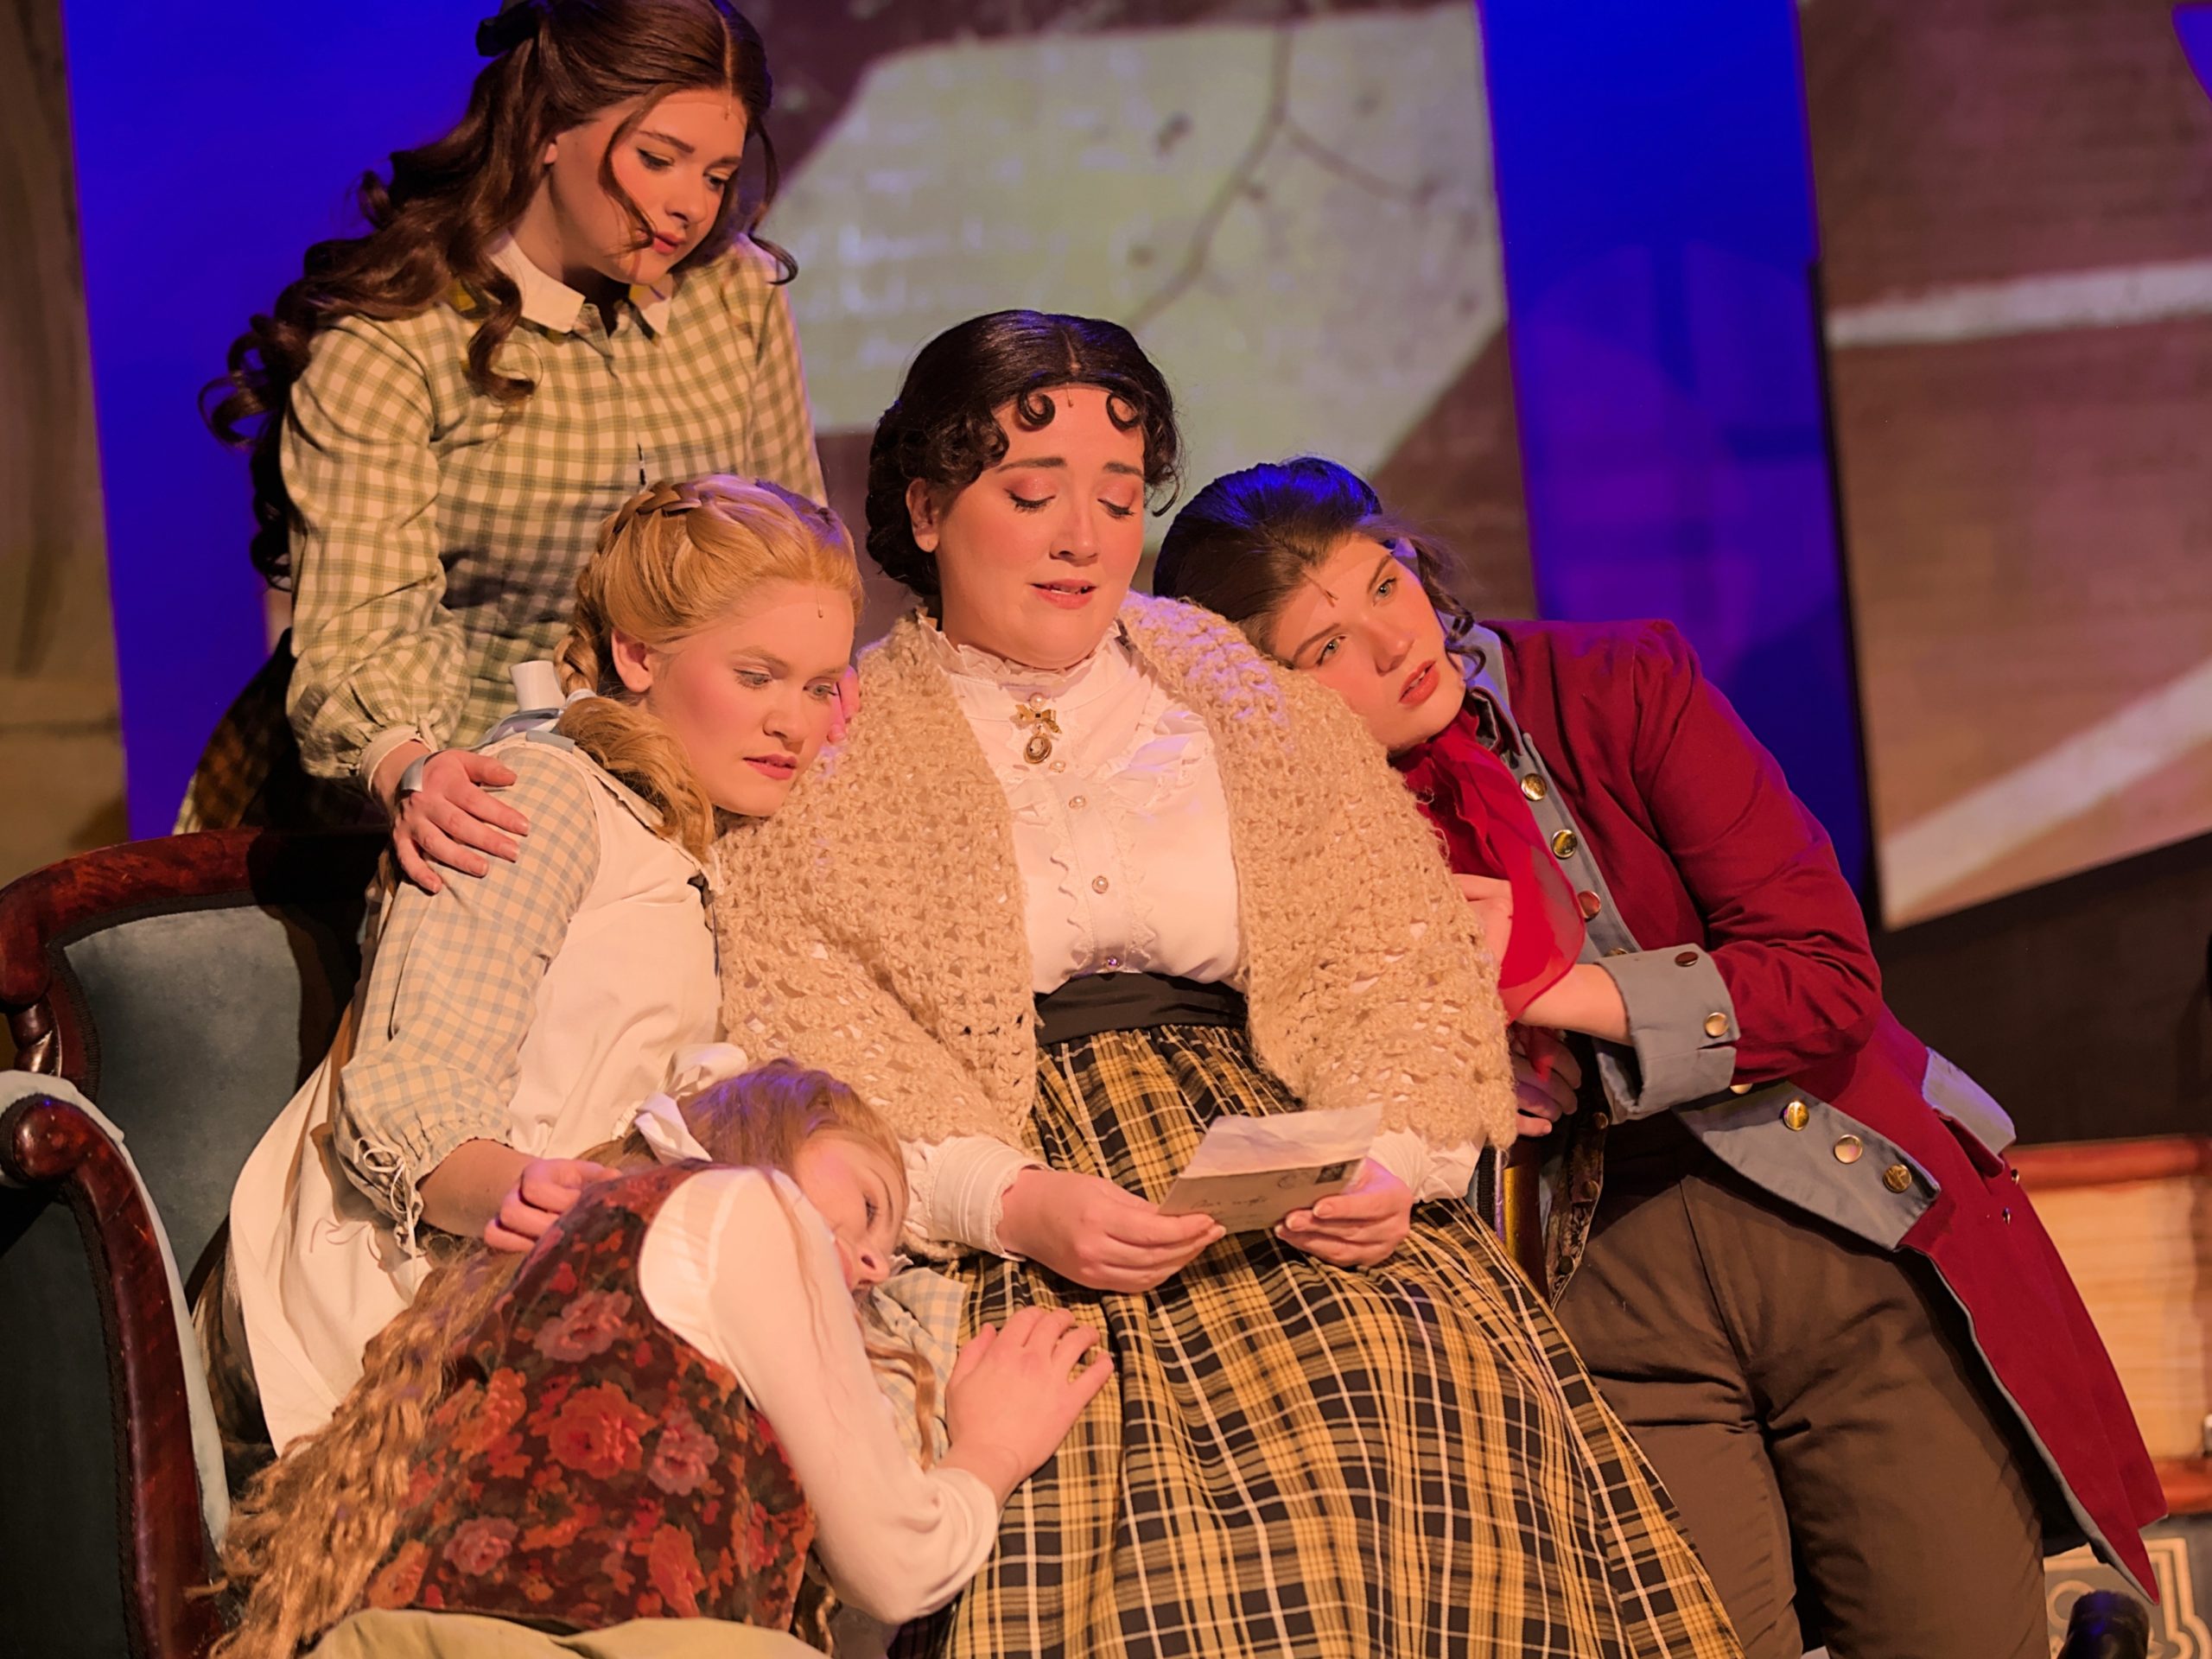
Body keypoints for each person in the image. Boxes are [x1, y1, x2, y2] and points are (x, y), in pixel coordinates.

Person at [714, 311, 1740, 1658]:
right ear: (926, 507)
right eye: (1032, 495)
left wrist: (1394, 1161)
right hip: (1021, 1195)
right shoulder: (839, 741)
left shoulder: (1247, 706)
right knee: (1104, 1517)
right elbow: (819, 1039)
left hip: (1288, 1166)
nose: (1083, 537)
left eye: (1117, 498)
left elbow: (1392, 960)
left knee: (1413, 1390)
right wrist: (1015, 1201)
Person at [1152, 454, 2167, 1659]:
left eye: (1385, 582)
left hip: (1833, 1220)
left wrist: (1549, 990)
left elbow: (1826, 978)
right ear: (1259, 695)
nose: (1390, 642)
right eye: (1325, 647)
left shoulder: (1616, 684)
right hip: (1602, 1304)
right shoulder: (1284, 846)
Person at [218, 475, 861, 1458]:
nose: (794, 723)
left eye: (819, 687)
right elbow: (406, 1100)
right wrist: (568, 1202)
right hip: (411, 1302)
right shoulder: (540, 797)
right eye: (757, 675)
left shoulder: (710, 836)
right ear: (637, 655)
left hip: (598, 1275)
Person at [183, 0, 823, 900]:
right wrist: (414, 766)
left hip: (684, 800)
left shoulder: (736, 296)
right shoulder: (396, 342)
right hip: (463, 805)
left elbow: (787, 559)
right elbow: (367, 630)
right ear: (548, 126)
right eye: (657, 158)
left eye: (717, 174)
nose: (689, 205)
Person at [211, 1059, 1115, 1659]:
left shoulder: (558, 1272)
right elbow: (895, 1565)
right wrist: (990, 1449)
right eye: (872, 1207)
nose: (878, 1264)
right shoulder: (746, 1206)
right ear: (770, 1133)